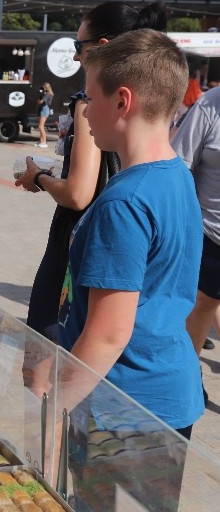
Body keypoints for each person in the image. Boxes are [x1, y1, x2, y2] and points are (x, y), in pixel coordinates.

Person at [56, 28, 203, 508]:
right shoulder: (176, 175)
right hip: (167, 393)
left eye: (88, 96)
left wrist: (53, 406)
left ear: (123, 101)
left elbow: (107, 335)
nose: (83, 110)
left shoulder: (125, 201)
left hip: (122, 407)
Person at [16, 0, 169, 346]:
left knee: (49, 356)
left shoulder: (90, 102)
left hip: (77, 242)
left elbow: (78, 193)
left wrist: (38, 178)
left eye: (77, 46)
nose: (74, 56)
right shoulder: (147, 104)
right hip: (115, 243)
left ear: (101, 47)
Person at [172, 85, 220, 356]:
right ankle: (190, 377)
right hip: (209, 235)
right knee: (203, 305)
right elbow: (179, 167)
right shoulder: (210, 105)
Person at [36, 82, 54, 147]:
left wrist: (40, 94)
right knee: (40, 126)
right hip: (44, 109)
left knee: (41, 126)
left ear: (46, 87)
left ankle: (44, 142)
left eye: (44, 87)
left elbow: (40, 101)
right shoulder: (47, 94)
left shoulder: (48, 94)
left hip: (45, 109)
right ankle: (41, 141)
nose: (43, 88)